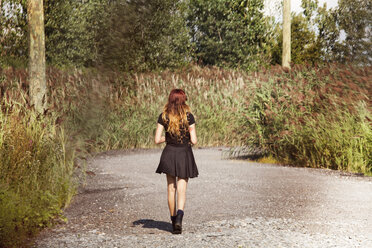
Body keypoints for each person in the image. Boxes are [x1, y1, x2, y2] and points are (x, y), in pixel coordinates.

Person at [154, 89, 198, 235]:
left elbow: (157, 140)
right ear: (183, 100)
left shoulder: (164, 116)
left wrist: (169, 138)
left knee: (170, 188)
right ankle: (179, 216)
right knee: (182, 189)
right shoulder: (188, 116)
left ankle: (173, 221)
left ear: (170, 99)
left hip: (169, 154)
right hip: (184, 153)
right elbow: (194, 140)